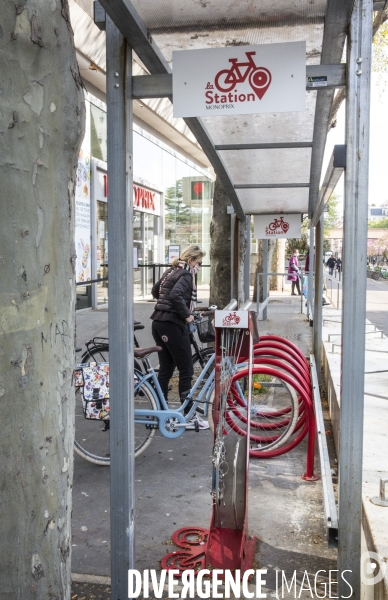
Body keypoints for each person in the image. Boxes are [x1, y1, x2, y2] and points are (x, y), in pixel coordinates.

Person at [150, 244, 209, 430]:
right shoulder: (185, 274)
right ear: (191, 260)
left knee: (166, 369)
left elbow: (155, 291)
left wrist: (167, 303)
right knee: (186, 369)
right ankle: (189, 415)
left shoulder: (171, 270)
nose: (199, 266)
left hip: (158, 322)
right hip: (173, 324)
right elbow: (175, 295)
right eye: (199, 262)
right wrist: (186, 314)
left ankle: (160, 412)